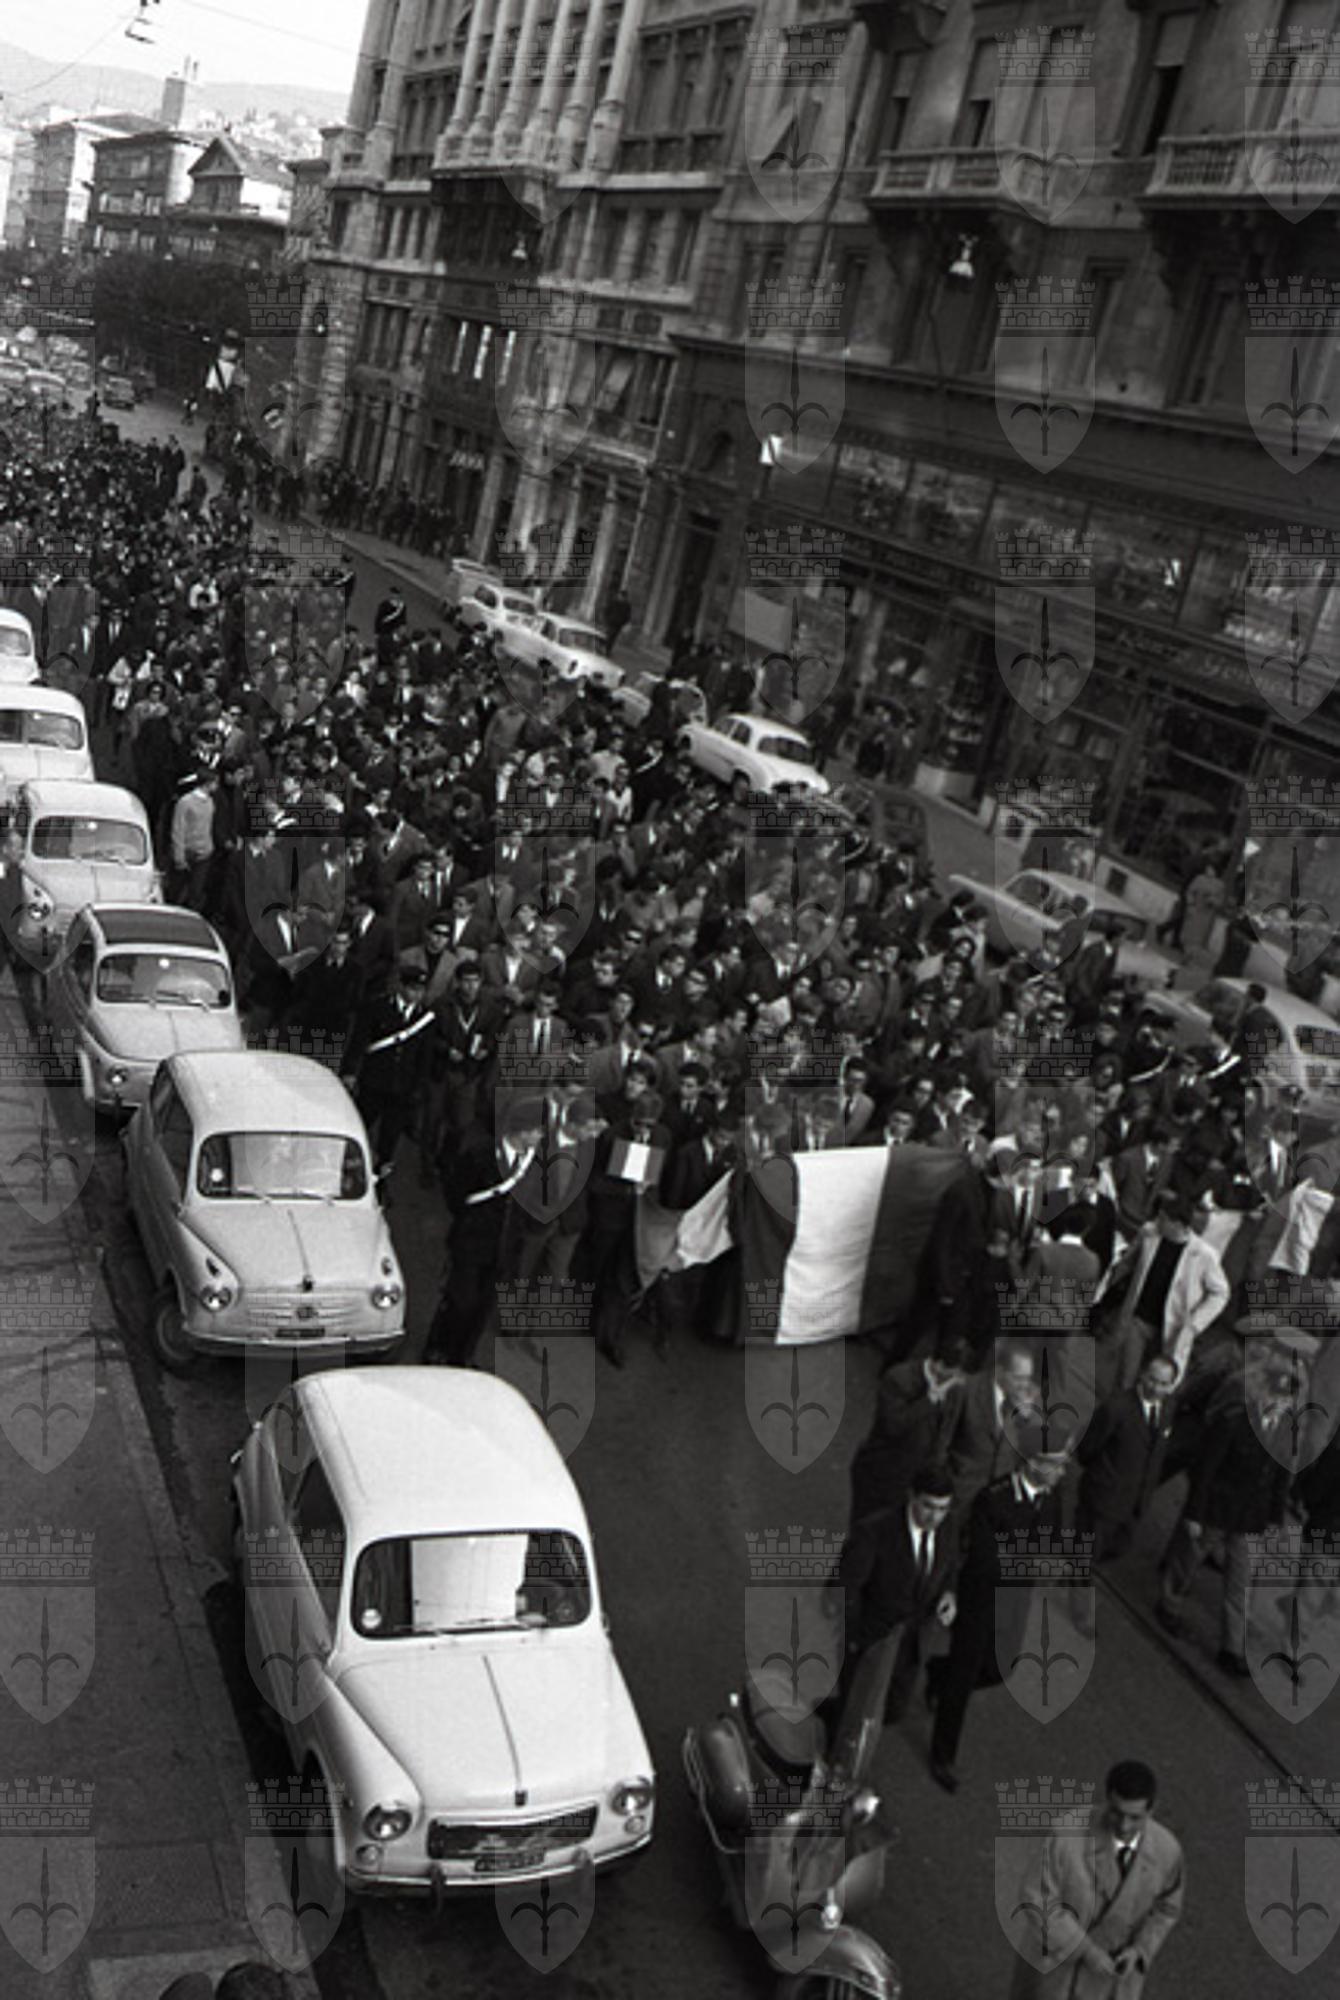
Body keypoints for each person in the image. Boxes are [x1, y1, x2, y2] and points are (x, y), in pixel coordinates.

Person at [925, 1430, 1070, 1791]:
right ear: (1032, 1462)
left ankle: (938, 1673)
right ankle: (943, 1755)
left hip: (1015, 1598)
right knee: (964, 1676)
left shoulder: (1051, 1497)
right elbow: (984, 1560)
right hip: (980, 1597)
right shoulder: (993, 1499)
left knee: (999, 1668)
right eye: (1055, 1464)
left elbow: (1050, 1542)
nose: (1062, 1472)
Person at [1008, 1760, 1185, 1998]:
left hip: (1111, 1984)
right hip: (1056, 1972)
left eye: (1135, 1818)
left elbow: (1167, 1908)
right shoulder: (1067, 1836)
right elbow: (1037, 1897)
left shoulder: (1167, 1851)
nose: (1124, 1826)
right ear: (1106, 1800)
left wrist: (1140, 1950)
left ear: (1152, 1810)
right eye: (1117, 1813)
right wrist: (1085, 1950)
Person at [833, 1464, 959, 1741]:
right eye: (928, 1506)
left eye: (942, 1508)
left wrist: (948, 1593)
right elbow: (842, 1589)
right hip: (872, 1640)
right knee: (854, 1713)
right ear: (911, 1496)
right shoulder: (874, 1532)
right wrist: (856, 1639)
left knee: (893, 1709)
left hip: (911, 1642)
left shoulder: (948, 1527)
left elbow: (949, 1564)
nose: (935, 1517)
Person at [1076, 1357, 1179, 1562]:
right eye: (1152, 1379)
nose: (1155, 1388)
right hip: (1104, 1499)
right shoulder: (1116, 1408)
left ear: (1171, 1386)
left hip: (1134, 1503)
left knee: (1116, 1551)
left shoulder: (1168, 1409)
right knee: (1085, 1556)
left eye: (1163, 1384)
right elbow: (1087, 1448)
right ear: (1142, 1375)